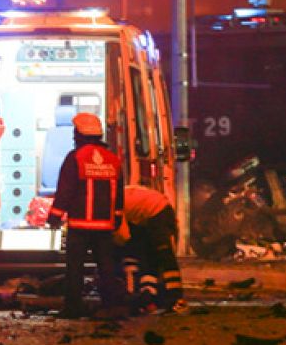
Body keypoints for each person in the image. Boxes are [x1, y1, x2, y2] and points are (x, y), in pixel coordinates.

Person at [47, 113, 128, 319]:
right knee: (106, 268)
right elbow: (119, 193)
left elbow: (66, 190)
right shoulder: (113, 160)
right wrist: (117, 218)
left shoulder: (75, 158)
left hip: (80, 226)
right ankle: (110, 306)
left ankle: (73, 307)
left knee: (75, 269)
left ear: (80, 135)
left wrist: (55, 216)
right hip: (104, 227)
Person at [121, 184, 186, 314]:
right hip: (149, 213)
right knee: (149, 258)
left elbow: (122, 236)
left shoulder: (112, 205)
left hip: (158, 213)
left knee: (164, 256)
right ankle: (150, 295)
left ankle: (175, 298)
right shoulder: (120, 197)